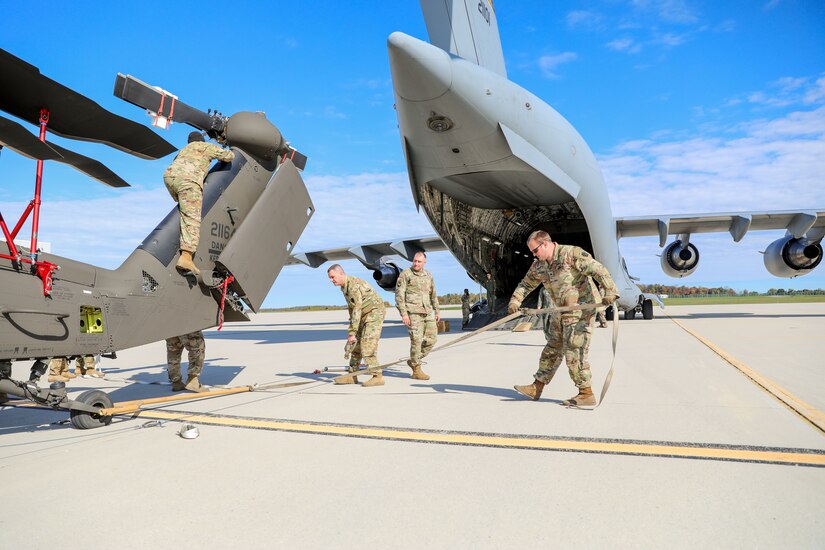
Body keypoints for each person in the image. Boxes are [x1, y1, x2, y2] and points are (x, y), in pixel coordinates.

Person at [508, 230, 618, 407]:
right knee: (553, 346)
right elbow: (525, 284)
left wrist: (610, 290)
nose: (533, 255)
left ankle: (586, 393)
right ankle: (537, 386)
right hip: (561, 309)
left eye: (535, 250)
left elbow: (598, 269)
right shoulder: (540, 266)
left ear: (545, 244)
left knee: (574, 348)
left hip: (582, 309)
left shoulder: (571, 254)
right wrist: (515, 300)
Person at [163, 131, 235, 276]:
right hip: (188, 180)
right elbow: (228, 156)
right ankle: (186, 257)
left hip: (169, 178)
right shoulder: (204, 146)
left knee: (185, 209)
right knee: (192, 218)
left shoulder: (184, 150)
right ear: (201, 140)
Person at [328, 264, 386, 387]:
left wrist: (352, 333)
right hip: (363, 314)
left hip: (374, 313)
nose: (331, 280)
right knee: (356, 346)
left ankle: (377, 376)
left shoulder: (353, 286)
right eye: (330, 278)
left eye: (333, 277)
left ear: (341, 274)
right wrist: (353, 330)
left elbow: (357, 309)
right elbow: (352, 308)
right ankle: (352, 376)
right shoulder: (344, 287)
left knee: (367, 345)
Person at [395, 251, 440, 380]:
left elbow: (433, 294)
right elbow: (399, 296)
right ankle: (416, 369)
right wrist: (404, 314)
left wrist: (437, 310)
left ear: (424, 263)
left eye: (419, 261)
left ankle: (414, 359)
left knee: (432, 340)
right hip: (413, 313)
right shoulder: (406, 274)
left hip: (428, 312)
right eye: (414, 261)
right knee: (416, 341)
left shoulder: (428, 275)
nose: (416, 263)